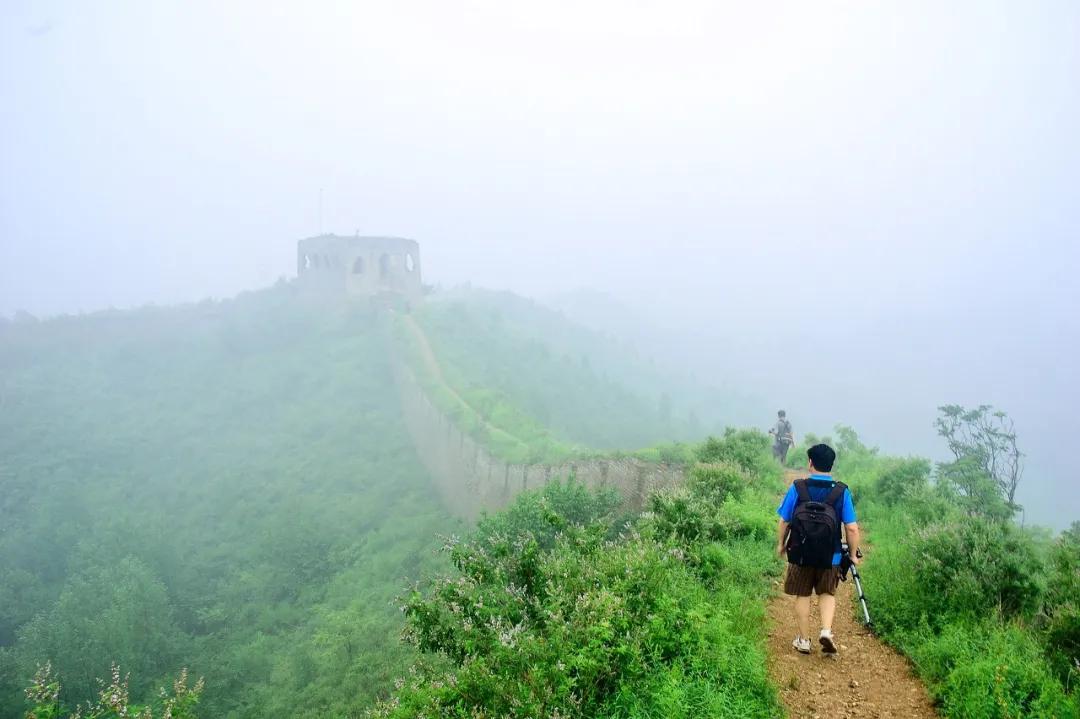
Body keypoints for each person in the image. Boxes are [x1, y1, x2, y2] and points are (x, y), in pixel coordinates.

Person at [775, 443, 860, 655]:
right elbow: (851, 528)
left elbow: (784, 521)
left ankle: (803, 640)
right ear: (831, 465)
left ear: (810, 463)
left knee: (802, 594)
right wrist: (852, 554)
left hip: (801, 554)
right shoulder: (841, 491)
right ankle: (826, 631)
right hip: (830, 556)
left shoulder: (798, 488)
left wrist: (781, 545)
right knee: (827, 592)